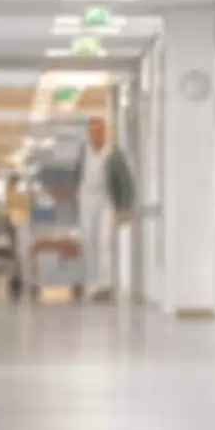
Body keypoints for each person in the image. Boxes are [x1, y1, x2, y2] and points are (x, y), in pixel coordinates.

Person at [77, 117, 131, 303]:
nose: (95, 134)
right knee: (89, 242)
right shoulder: (84, 153)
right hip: (86, 200)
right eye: (92, 131)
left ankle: (105, 285)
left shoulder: (113, 154)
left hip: (106, 200)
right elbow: (77, 176)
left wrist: (124, 207)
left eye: (99, 131)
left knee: (104, 242)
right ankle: (91, 284)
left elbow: (125, 182)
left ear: (105, 132)